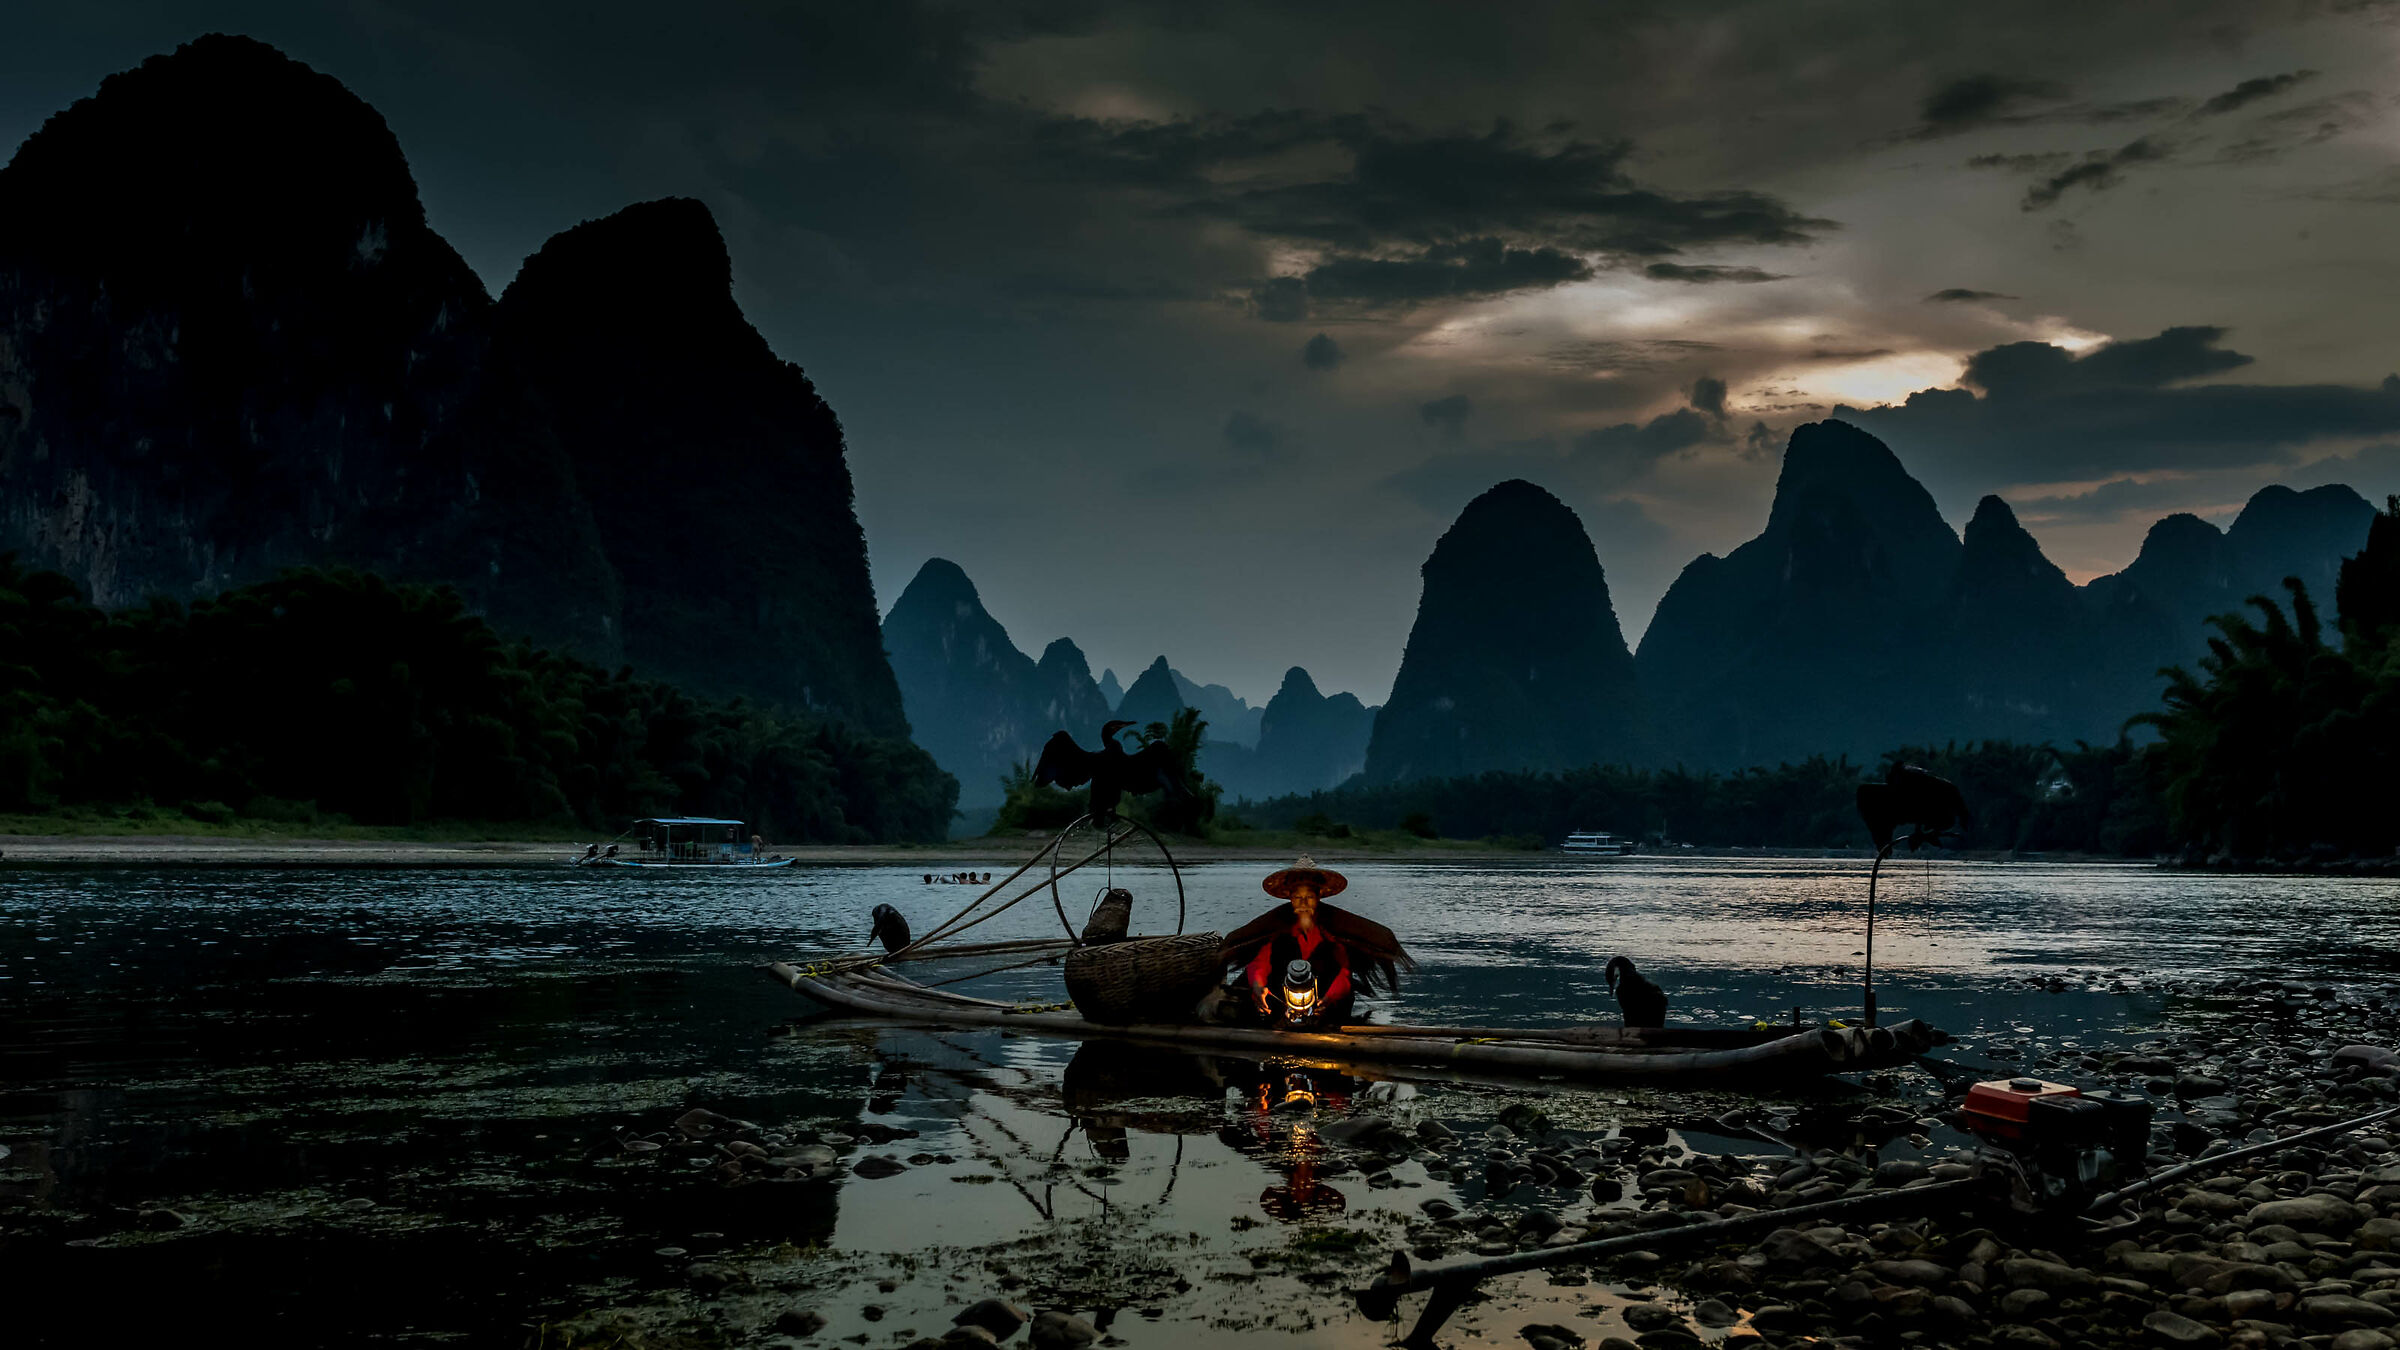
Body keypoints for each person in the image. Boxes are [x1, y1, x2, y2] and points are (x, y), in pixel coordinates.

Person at [1220, 856, 1412, 1029]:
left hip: (1323, 1001)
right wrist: (1258, 986)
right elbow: (1260, 962)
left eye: (1309, 898)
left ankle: (1321, 1021)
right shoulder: (1278, 929)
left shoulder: (1331, 932)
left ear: (1318, 897)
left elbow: (1344, 972)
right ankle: (1279, 1021)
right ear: (1290, 899)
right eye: (1297, 898)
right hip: (1281, 998)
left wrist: (1329, 999)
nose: (1303, 904)